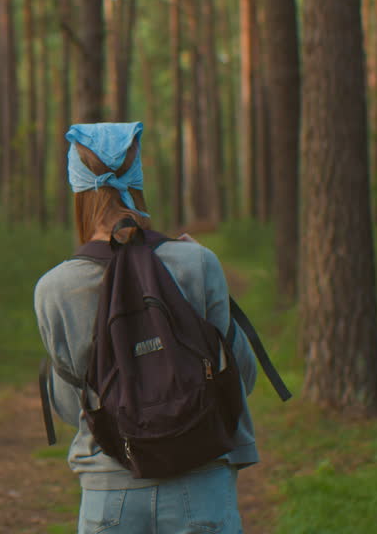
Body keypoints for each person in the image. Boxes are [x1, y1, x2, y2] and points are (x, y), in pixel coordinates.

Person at [34, 122, 258, 534]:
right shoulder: (197, 263)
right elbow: (241, 375)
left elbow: (71, 405)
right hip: (202, 479)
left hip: (110, 488)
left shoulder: (54, 288)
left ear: (77, 188)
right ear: (137, 180)